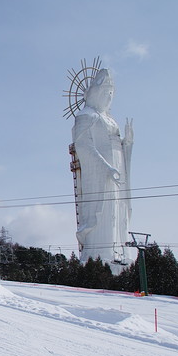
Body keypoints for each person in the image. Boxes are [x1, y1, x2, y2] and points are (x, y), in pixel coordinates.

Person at [71, 68, 133, 269]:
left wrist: (127, 143)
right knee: (103, 212)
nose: (109, 97)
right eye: (106, 92)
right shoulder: (86, 116)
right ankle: (99, 256)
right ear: (95, 92)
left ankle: (120, 252)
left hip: (116, 172)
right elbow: (84, 146)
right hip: (98, 175)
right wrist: (105, 167)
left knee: (118, 211)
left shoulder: (111, 119)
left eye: (111, 94)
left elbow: (118, 147)